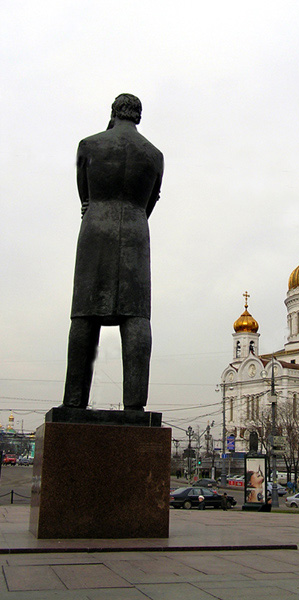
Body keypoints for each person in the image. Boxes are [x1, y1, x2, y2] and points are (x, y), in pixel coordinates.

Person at [63, 94, 164, 410]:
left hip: (96, 228)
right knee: (136, 316)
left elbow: (85, 195)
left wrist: (100, 210)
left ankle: (73, 401)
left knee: (84, 315)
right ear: (138, 116)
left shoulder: (89, 145)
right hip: (136, 229)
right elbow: (151, 200)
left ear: (113, 113)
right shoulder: (154, 155)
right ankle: (135, 405)